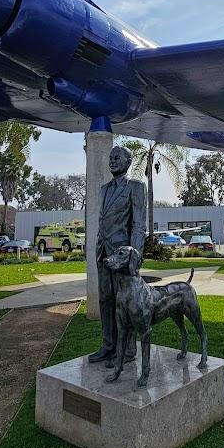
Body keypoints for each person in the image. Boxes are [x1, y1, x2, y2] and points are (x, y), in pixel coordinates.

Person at [88, 145, 146, 365]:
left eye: (117, 158)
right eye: (110, 158)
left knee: (124, 303)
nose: (112, 161)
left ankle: (127, 350)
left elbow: (138, 224)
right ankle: (108, 345)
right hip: (103, 252)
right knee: (105, 300)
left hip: (122, 255)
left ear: (128, 162)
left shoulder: (135, 187)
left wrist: (134, 255)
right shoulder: (103, 189)